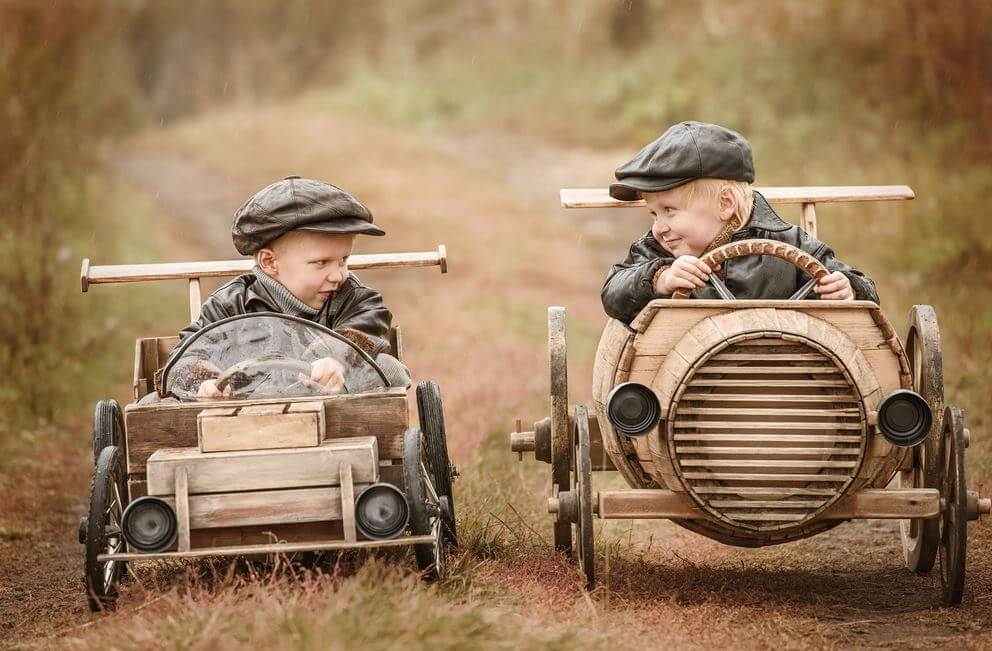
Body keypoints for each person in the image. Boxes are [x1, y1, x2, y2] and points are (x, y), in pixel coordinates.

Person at [601, 122, 879, 325]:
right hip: (687, 387)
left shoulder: (791, 246)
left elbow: (866, 292)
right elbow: (613, 293)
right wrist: (659, 279)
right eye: (654, 214)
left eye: (669, 211)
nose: (658, 228)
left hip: (783, 379)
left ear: (725, 204)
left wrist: (850, 289)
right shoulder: (659, 254)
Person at [163, 175, 409, 398]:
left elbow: (369, 321)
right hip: (242, 415)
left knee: (388, 368)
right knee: (157, 400)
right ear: (269, 262)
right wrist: (206, 383)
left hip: (332, 407)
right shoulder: (230, 305)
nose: (338, 275)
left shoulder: (351, 298)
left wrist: (337, 358)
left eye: (343, 260)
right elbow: (187, 355)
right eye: (321, 263)